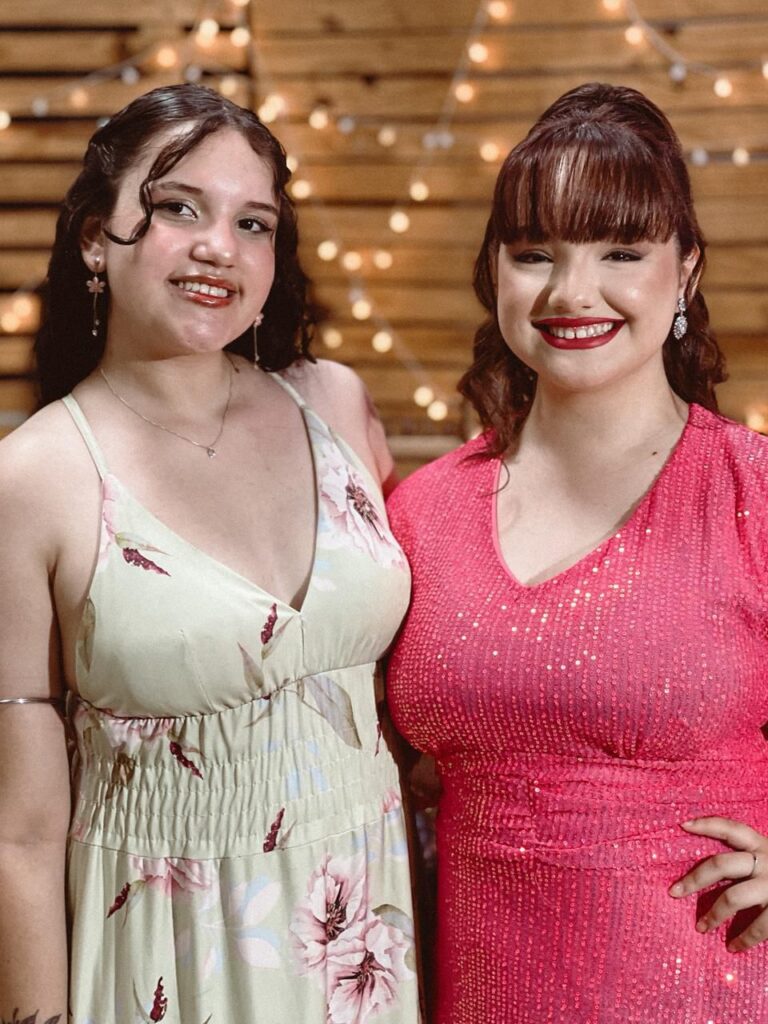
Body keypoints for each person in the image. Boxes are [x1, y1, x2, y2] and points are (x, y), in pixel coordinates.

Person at [0, 84, 420, 1024]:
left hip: (370, 944)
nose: (218, 247)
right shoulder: (35, 479)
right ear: (95, 238)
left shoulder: (333, 405)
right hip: (168, 960)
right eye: (180, 208)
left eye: (252, 223)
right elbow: (17, 837)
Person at [385, 82, 768, 1022]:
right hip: (478, 988)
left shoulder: (753, 492)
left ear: (685, 272)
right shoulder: (423, 510)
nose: (571, 292)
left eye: (620, 252)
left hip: (712, 984)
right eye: (534, 254)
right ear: (495, 274)